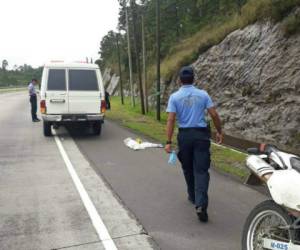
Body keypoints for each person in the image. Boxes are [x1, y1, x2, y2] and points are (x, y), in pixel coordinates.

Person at [165, 66, 223, 223]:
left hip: (184, 136)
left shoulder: (174, 97)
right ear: (193, 78)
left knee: (187, 168)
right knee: (201, 170)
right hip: (201, 135)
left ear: (180, 80)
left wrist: (168, 141)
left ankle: (193, 195)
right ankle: (201, 204)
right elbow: (214, 114)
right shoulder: (203, 95)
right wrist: (219, 131)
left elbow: (170, 119)